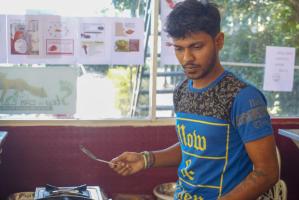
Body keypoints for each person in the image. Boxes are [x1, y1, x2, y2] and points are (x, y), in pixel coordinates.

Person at [110, 0, 279, 199]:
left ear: (219, 41)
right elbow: (193, 149)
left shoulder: (242, 97)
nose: (186, 58)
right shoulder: (182, 91)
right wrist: (145, 159)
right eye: (179, 48)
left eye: (196, 47)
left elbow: (266, 173)